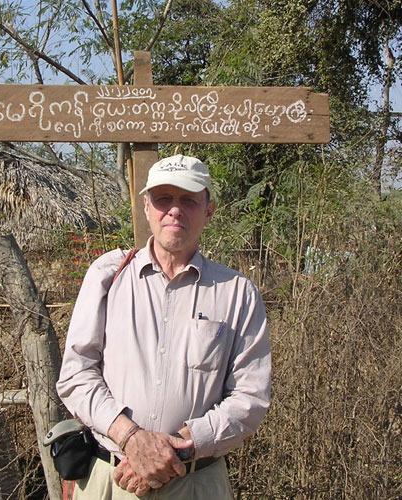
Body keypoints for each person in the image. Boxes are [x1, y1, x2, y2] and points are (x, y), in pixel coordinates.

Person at [56, 154, 271, 499]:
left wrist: (173, 454)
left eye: (188, 200)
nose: (174, 210)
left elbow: (250, 398)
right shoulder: (108, 275)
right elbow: (76, 375)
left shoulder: (237, 292)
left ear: (209, 210)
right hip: (112, 480)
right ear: (146, 207)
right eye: (163, 199)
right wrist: (132, 439)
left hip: (195, 483)